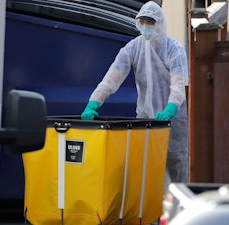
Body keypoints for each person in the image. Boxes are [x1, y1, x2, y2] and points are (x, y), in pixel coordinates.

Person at [80, 1, 189, 183]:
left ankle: (178, 209)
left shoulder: (174, 49)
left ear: (160, 23)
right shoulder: (133, 48)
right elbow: (111, 79)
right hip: (145, 120)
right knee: (145, 173)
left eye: (151, 22)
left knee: (176, 167)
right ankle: (148, 211)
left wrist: (170, 109)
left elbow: (178, 84)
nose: (146, 27)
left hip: (172, 121)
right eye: (143, 22)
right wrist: (93, 103)